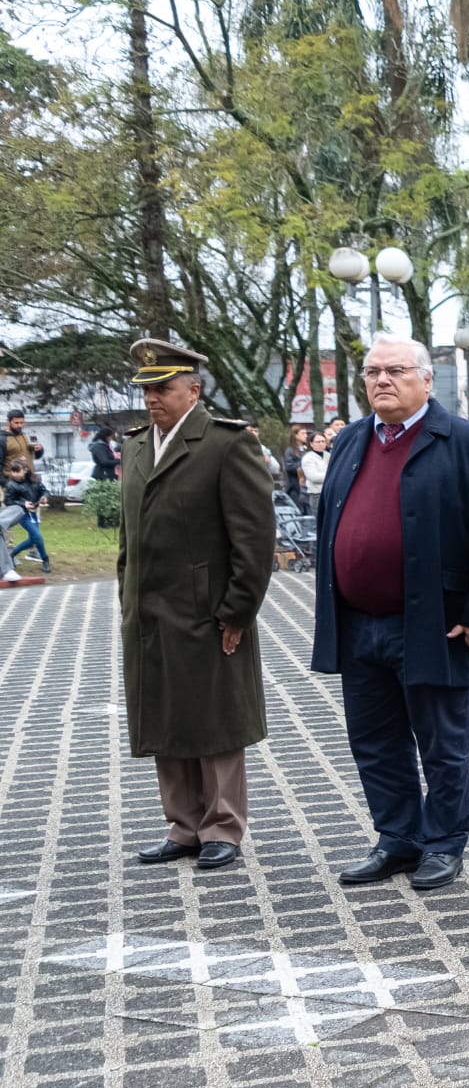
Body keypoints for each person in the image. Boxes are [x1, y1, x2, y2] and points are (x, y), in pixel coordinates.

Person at [312, 333, 469, 892]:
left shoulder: (467, 442)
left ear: (425, 379)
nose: (382, 381)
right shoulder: (350, 441)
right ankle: (397, 837)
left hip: (436, 624)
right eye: (373, 372)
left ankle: (442, 843)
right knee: (374, 741)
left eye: (395, 370)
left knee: (443, 745)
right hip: (358, 624)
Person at [118, 341, 275, 870]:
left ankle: (222, 826)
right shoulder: (139, 445)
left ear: (193, 388)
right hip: (150, 612)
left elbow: (253, 540)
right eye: (146, 389)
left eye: (162, 388)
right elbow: (130, 536)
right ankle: (183, 825)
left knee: (215, 720)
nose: (152, 399)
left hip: (209, 610)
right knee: (166, 716)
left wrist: (237, 611)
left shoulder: (226, 444)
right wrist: (128, 599)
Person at [2, 458, 50, 576]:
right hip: (22, 514)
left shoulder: (35, 480)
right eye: (13, 471)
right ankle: (45, 560)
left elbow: (44, 491)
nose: (15, 474)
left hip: (34, 513)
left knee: (33, 540)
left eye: (18, 471)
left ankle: (11, 554)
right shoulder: (11, 484)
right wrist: (23, 504)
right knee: (37, 536)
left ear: (25, 470)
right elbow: (8, 501)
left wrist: (44, 497)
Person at [282, 426, 310, 515]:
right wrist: (304, 465)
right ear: (295, 435)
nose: (306, 436)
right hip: (295, 487)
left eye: (306, 433)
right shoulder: (290, 450)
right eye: (303, 433)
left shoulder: (307, 449)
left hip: (307, 486)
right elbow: (289, 467)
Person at [302, 431, 329, 521]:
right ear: (311, 444)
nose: (321, 444)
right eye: (318, 442)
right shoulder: (308, 458)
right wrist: (331, 475)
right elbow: (313, 477)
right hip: (317, 495)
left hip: (330, 493)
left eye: (323, 441)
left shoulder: (329, 455)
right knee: (320, 522)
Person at [3, 410, 40, 475]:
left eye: (22, 422)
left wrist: (39, 449)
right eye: (16, 423)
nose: (20, 425)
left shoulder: (24, 436)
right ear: (9, 422)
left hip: (30, 480)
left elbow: (36, 456)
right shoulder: (2, 439)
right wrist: (5, 483)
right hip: (12, 482)